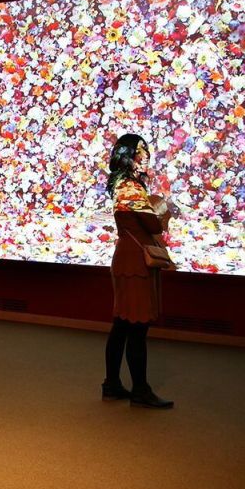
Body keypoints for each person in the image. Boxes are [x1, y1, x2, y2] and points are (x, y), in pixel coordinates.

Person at [101, 133, 174, 409]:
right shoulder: (130, 187)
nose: (146, 158)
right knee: (137, 327)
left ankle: (111, 384)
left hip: (127, 256)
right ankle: (140, 390)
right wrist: (162, 211)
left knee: (121, 324)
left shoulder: (121, 185)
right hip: (135, 261)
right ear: (130, 157)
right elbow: (153, 225)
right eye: (141, 153)